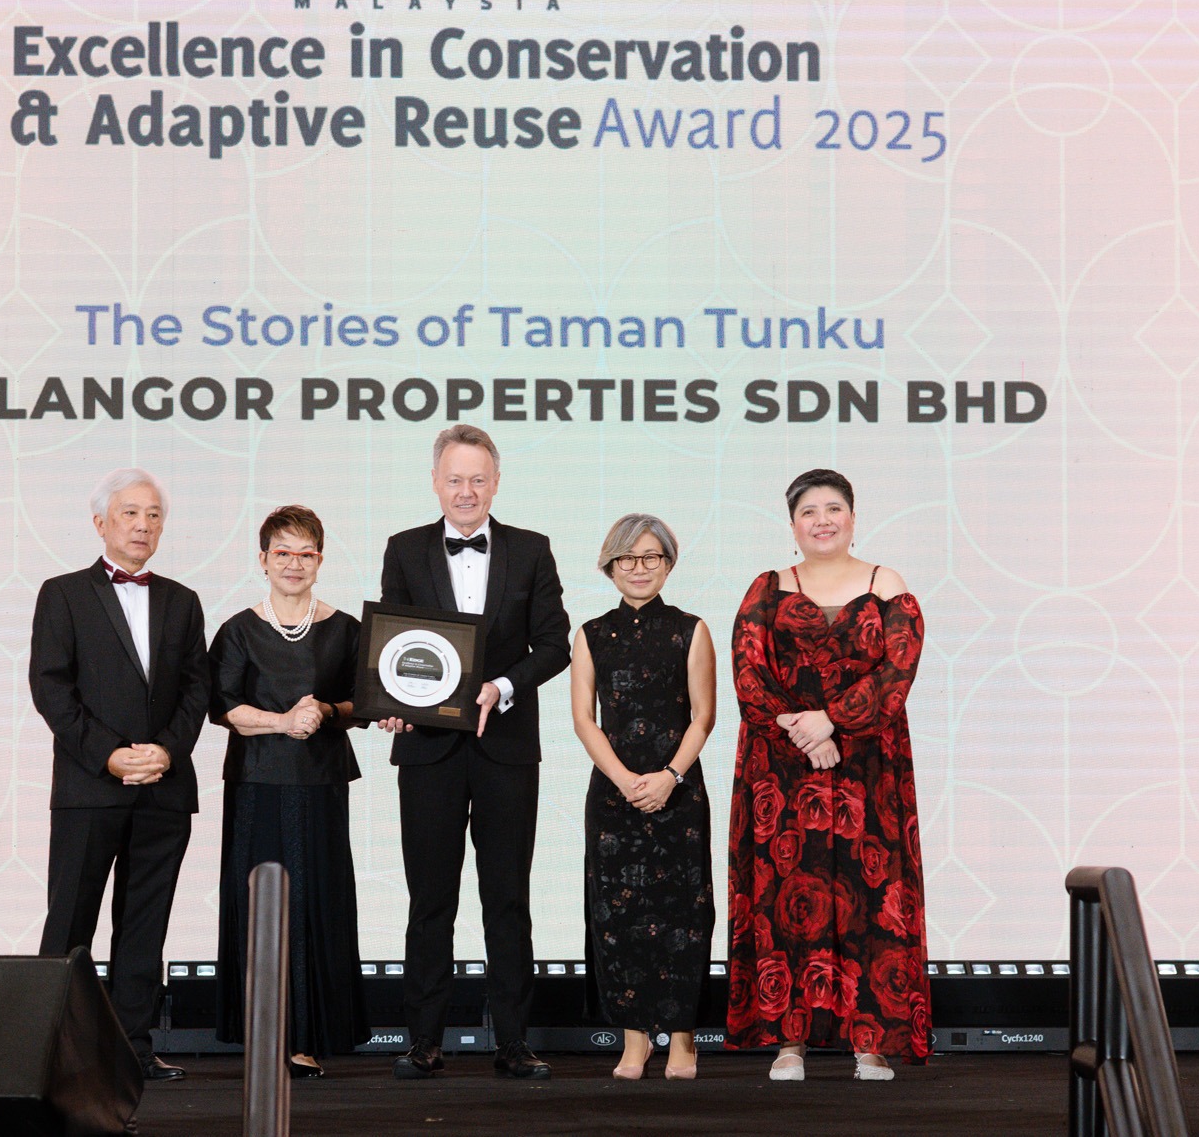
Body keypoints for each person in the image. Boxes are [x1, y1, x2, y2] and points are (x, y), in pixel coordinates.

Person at [379, 424, 572, 1081]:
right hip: (427, 750)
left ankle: (513, 1041)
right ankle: (423, 1040)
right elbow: (393, 647)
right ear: (436, 482)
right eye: (455, 479)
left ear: (496, 482)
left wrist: (502, 686)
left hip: (506, 749)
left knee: (507, 898)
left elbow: (555, 644)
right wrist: (392, 701)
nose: (467, 490)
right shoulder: (404, 548)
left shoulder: (532, 549)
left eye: (478, 479)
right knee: (429, 900)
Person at [726, 468, 931, 1081]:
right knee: (790, 896)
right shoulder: (766, 587)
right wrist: (804, 731)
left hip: (867, 766)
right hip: (783, 768)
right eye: (809, 511)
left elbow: (898, 670)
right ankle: (789, 1044)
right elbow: (748, 674)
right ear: (792, 525)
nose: (823, 520)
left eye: (834, 508)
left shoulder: (885, 583)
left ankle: (871, 1044)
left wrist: (833, 722)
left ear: (853, 517)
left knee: (870, 895)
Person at [29, 469, 213, 1082]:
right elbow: (51, 688)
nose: (143, 525)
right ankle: (50, 1050)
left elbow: (197, 689)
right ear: (100, 523)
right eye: (130, 513)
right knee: (70, 922)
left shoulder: (183, 601)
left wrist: (166, 751)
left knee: (145, 925)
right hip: (89, 787)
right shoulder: (62, 594)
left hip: (165, 789)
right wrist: (108, 754)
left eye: (154, 515)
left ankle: (132, 1047)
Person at [208, 504, 370, 1078]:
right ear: (263, 559)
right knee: (258, 905)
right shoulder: (237, 629)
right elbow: (222, 707)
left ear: (320, 560)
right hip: (256, 787)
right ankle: (260, 1037)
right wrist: (282, 721)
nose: (294, 563)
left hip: (321, 785)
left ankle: (305, 1040)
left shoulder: (347, 629)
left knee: (315, 902)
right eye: (283, 552)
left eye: (306, 553)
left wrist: (324, 710)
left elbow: (363, 702)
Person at [570, 513, 716, 1081]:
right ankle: (634, 1039)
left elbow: (703, 716)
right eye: (627, 558)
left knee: (685, 913)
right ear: (610, 566)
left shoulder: (691, 629)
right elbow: (585, 720)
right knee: (618, 916)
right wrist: (625, 779)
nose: (639, 568)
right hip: (614, 798)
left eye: (651, 557)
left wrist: (669, 776)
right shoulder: (590, 633)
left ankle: (682, 1039)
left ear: (668, 564)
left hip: (679, 794)